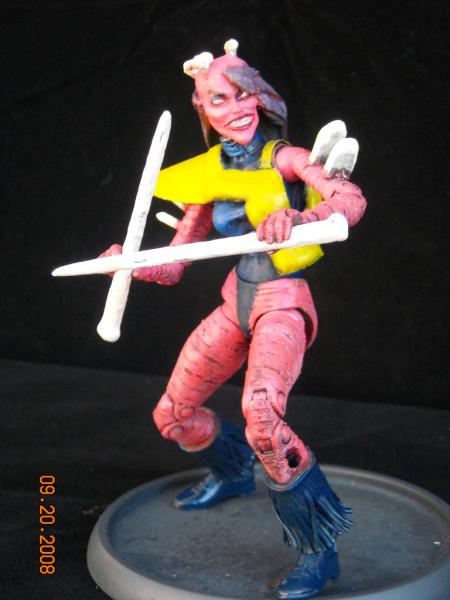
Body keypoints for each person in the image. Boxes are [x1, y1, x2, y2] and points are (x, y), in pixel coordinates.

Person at [102, 39, 366, 599]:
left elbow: (349, 201)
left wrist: (299, 218)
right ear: (202, 108)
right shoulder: (208, 175)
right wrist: (129, 263)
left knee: (263, 421)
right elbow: (175, 265)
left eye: (244, 94)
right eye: (220, 99)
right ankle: (232, 472)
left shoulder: (286, 159)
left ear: (261, 97)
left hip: (281, 303)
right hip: (235, 304)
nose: (237, 108)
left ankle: (319, 551)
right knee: (173, 415)